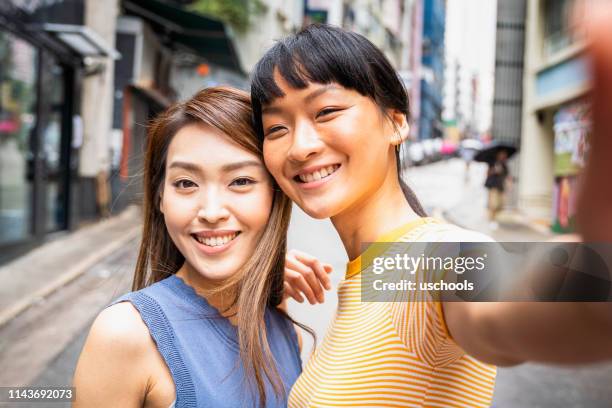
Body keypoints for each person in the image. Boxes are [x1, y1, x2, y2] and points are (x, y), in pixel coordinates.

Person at [250, 24, 612, 407]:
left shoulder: (436, 258)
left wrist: (593, 283)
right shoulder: (373, 272)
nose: (300, 146)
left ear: (396, 122)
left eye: (326, 111)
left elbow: (506, 307)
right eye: (276, 128)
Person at [73, 87, 303, 408]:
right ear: (160, 198)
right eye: (185, 183)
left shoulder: (283, 328)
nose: (210, 211)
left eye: (240, 181)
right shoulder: (126, 335)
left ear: (275, 195)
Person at [484, 150, 509, 228]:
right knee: (493, 204)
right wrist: (494, 170)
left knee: (500, 205)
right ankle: (492, 219)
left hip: (500, 186)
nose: (502, 156)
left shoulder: (504, 164)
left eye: (504, 154)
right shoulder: (492, 163)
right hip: (493, 186)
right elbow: (487, 173)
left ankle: (494, 217)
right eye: (501, 154)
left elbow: (507, 175)